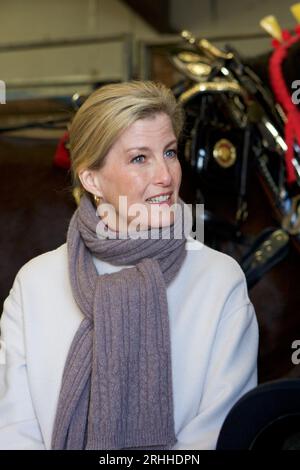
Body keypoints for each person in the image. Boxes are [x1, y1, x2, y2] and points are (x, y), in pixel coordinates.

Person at [0, 80, 258, 450]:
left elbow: (219, 432)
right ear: (91, 179)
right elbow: (13, 427)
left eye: (169, 152)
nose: (165, 177)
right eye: (140, 158)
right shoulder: (36, 283)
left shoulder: (219, 279)